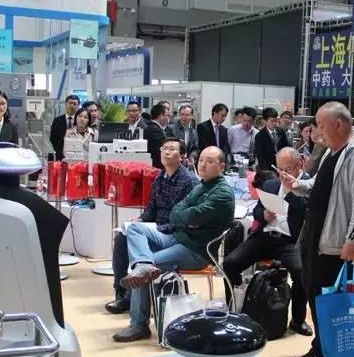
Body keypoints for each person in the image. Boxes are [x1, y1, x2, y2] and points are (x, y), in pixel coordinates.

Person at [279, 102, 354, 357]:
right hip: (316, 233)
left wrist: (353, 240)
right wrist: (297, 185)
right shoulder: (331, 152)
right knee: (314, 290)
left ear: (339, 124)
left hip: (334, 238)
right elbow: (319, 185)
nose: (318, 132)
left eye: (322, 126)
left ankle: (324, 348)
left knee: (326, 296)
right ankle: (325, 346)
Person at [113, 146, 235, 342]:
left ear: (222, 166)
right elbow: (176, 212)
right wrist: (185, 218)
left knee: (144, 269)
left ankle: (138, 325)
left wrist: (185, 217)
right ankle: (143, 265)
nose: (203, 164)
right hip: (178, 237)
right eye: (201, 160)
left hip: (195, 251)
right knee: (135, 229)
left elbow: (188, 214)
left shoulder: (222, 194)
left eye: (210, 161)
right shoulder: (201, 185)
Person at [222, 147, 313, 336]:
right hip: (265, 236)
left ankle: (298, 320)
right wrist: (263, 214)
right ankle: (236, 307)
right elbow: (256, 210)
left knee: (300, 271)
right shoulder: (271, 184)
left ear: (300, 164)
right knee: (230, 262)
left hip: (291, 241)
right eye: (279, 170)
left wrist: (291, 190)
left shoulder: (309, 185)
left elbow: (307, 213)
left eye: (287, 169)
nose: (283, 175)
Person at [106, 137, 198, 314]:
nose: (166, 152)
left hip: (172, 232)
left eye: (172, 149)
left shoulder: (189, 182)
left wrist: (153, 228)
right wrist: (140, 220)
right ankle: (121, 293)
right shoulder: (159, 179)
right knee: (121, 238)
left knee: (140, 248)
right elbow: (150, 210)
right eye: (164, 148)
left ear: (182, 156)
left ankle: (131, 298)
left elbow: (184, 219)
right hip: (156, 227)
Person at [49, 94, 79, 160]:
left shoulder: (80, 121)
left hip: (77, 155)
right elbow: (53, 139)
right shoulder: (57, 120)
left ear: (78, 106)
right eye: (70, 103)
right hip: (60, 155)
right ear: (65, 104)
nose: (72, 105)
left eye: (74, 104)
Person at [143, 104, 169, 169]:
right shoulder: (156, 130)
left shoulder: (148, 126)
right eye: (167, 115)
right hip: (156, 166)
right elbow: (162, 149)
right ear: (161, 115)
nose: (168, 118)